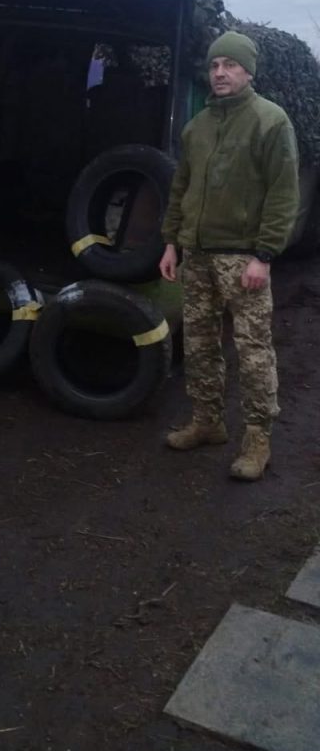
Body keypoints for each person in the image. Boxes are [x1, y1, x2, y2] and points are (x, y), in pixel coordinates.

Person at [159, 31, 299, 481]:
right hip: (197, 255)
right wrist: (171, 242)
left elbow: (283, 194)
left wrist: (265, 254)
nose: (220, 73)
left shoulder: (270, 122)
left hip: (243, 259)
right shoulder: (197, 127)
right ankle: (207, 421)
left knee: (253, 350)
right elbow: (181, 187)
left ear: (248, 71)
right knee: (199, 343)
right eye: (215, 65)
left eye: (230, 65)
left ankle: (257, 439)